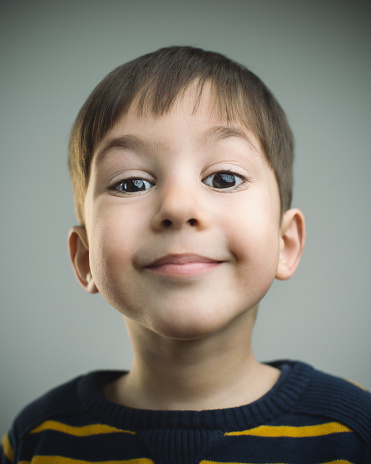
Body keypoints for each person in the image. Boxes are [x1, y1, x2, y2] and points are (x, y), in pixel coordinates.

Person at [1, 46, 370, 463]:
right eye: (132, 184)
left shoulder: (354, 432)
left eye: (224, 177)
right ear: (86, 258)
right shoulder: (39, 437)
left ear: (284, 243)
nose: (178, 208)